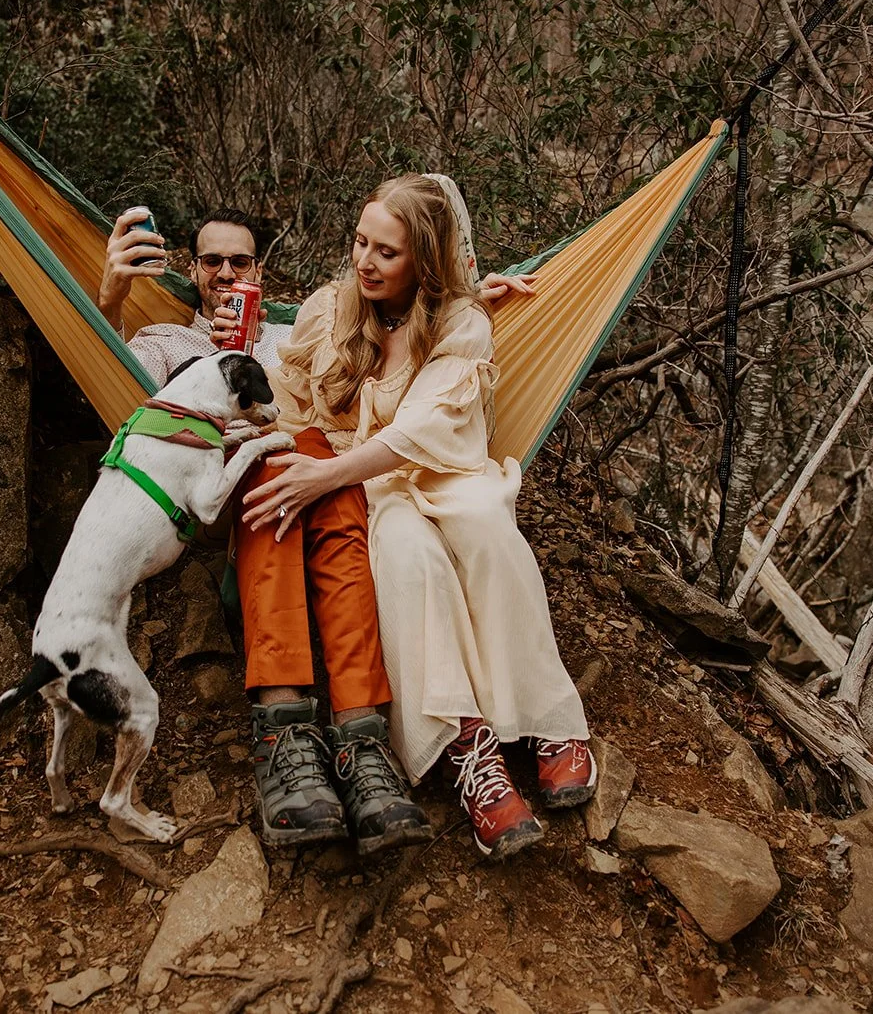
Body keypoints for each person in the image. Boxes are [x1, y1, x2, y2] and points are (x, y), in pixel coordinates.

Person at [225, 174, 594, 860]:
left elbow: (423, 427)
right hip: (371, 483)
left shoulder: (462, 323)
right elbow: (285, 399)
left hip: (441, 467)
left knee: (487, 524)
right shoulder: (328, 311)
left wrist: (325, 476)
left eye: (386, 253)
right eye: (360, 242)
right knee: (405, 554)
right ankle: (467, 745)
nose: (364, 261)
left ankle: (550, 720)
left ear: (423, 260)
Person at [96, 207, 290, 381]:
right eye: (211, 261)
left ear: (258, 272)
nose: (226, 274)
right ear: (193, 271)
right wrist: (109, 302)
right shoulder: (164, 343)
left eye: (240, 262)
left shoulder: (294, 339)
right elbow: (116, 385)